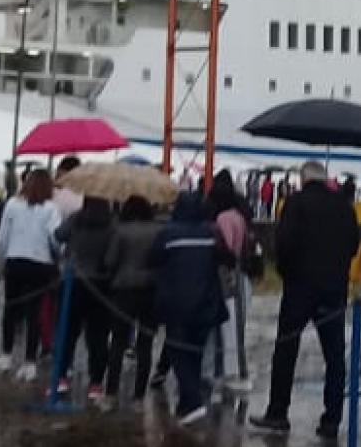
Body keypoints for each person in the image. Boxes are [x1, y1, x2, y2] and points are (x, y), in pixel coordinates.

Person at [250, 161, 360, 441]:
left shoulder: (295, 203)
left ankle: (278, 413)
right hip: (333, 290)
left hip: (299, 288)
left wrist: (287, 273)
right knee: (335, 357)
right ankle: (331, 419)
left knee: (286, 349)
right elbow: (352, 245)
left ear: (303, 179)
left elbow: (283, 244)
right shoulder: (344, 207)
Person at [151, 190, 226, 421]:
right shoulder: (211, 234)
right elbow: (226, 257)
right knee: (195, 352)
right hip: (206, 303)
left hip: (176, 304)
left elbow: (153, 260)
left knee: (176, 351)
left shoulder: (168, 235)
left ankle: (192, 401)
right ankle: (186, 405)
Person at [0, 167, 61, 379]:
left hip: (14, 259)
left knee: (11, 309)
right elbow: (55, 238)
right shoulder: (51, 208)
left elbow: (2, 238)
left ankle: (6, 354)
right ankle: (29, 361)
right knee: (35, 313)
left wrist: (0, 262)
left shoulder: (12, 205)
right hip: (40, 263)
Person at [57, 193, 115, 401]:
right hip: (100, 284)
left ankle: (61, 376)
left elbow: (58, 234)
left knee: (67, 332)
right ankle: (96, 383)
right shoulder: (111, 225)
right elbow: (111, 256)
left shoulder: (76, 219)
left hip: (72, 281)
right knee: (98, 336)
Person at [103, 197, 160, 403]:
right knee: (145, 344)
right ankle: (138, 395)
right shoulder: (157, 231)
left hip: (123, 289)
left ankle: (111, 391)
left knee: (118, 342)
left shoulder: (121, 230)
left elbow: (110, 261)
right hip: (150, 290)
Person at [206, 168, 252, 392]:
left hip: (222, 275)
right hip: (239, 275)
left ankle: (219, 372)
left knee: (218, 328)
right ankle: (235, 371)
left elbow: (224, 249)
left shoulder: (222, 219)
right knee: (234, 326)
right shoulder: (239, 217)